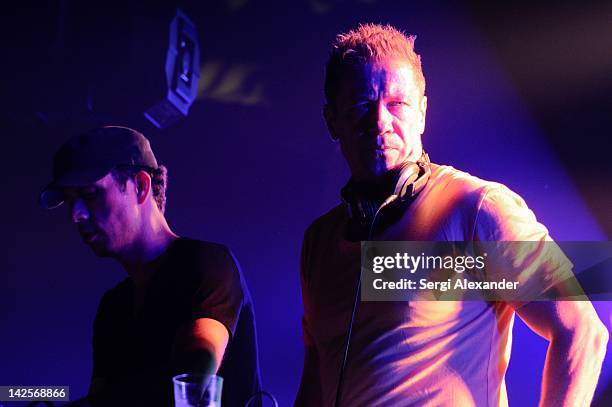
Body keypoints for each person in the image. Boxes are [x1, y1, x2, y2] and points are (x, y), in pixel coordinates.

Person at [295, 24, 608, 406]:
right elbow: (316, 379)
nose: (380, 121)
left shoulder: (477, 208)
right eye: (362, 104)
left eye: (397, 103)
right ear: (332, 120)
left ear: (422, 113)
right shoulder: (319, 242)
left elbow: (582, 331)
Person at [40, 126, 261, 406]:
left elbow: (195, 375)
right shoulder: (113, 307)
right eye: (70, 202)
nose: (76, 214)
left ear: (141, 186)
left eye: (90, 194)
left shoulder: (207, 264)